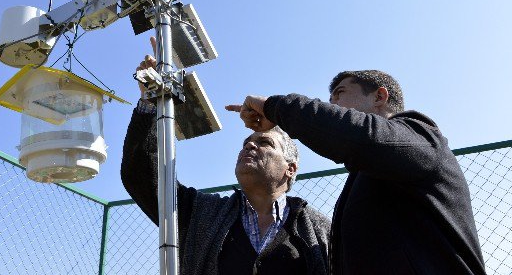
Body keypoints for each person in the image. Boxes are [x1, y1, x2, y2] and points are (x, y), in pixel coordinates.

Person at [226, 70, 486, 275]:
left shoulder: (421, 137)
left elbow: (357, 135)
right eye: (330, 101)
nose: (333, 105)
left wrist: (276, 107)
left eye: (340, 94)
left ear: (379, 96)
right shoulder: (369, 174)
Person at [121, 40, 331, 275]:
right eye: (246, 143)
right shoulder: (200, 214)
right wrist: (152, 99)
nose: (250, 145)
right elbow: (140, 175)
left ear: (290, 169)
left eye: (264, 142)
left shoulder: (321, 231)